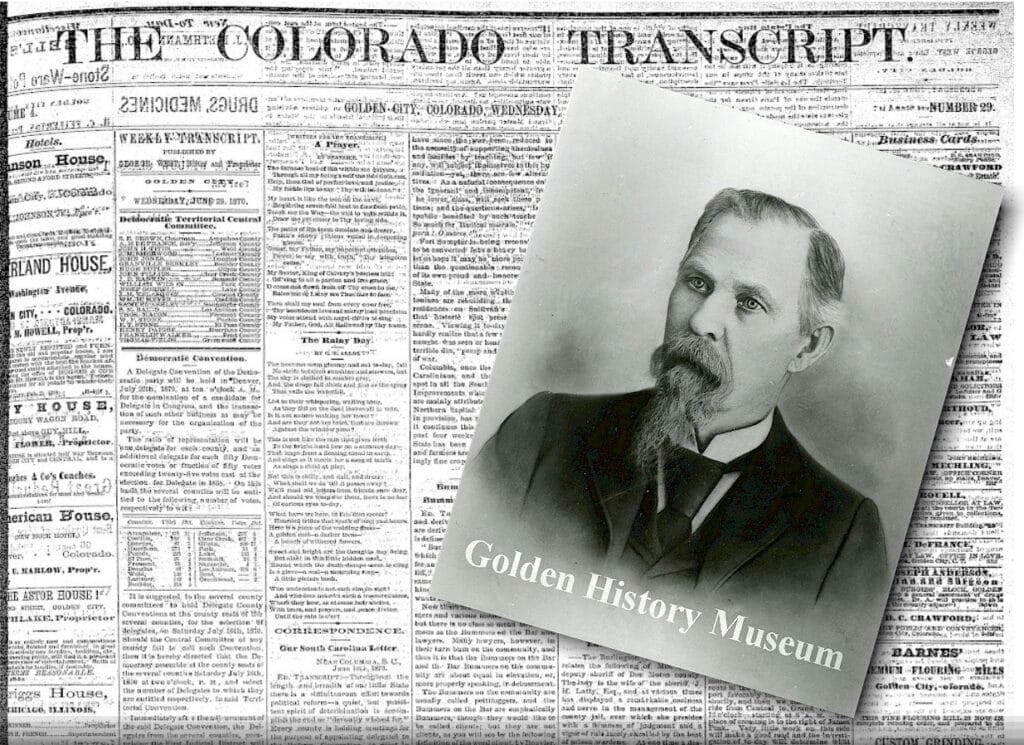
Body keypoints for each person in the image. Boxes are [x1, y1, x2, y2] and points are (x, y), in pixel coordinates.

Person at [463, 188, 888, 620]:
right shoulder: (543, 432)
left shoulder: (844, 535)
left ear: (808, 346)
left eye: (749, 303)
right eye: (697, 283)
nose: (702, 320)